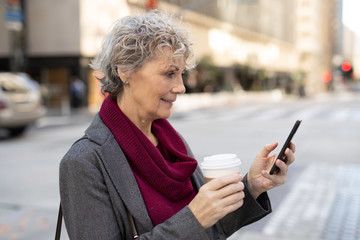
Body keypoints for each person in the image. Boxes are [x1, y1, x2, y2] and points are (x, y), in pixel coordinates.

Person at [59, 10, 296, 240]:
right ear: (124, 71)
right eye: (169, 73)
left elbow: (214, 227)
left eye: (181, 74)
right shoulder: (84, 161)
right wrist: (195, 218)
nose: (181, 87)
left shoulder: (172, 142)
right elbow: (199, 221)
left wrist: (253, 186)